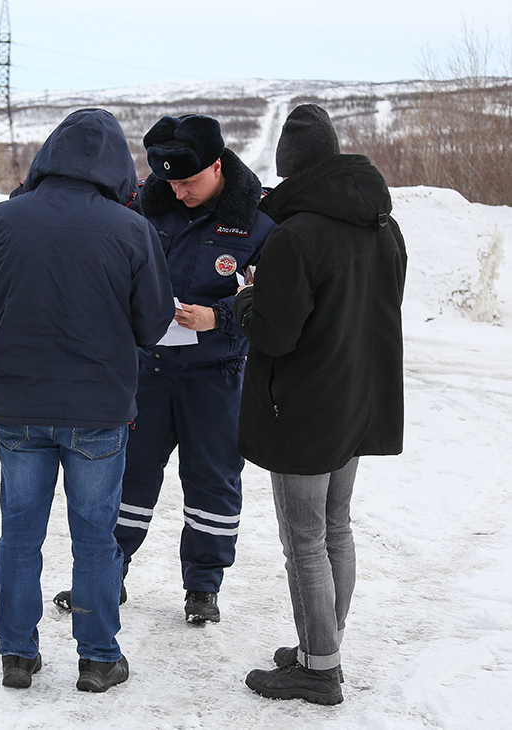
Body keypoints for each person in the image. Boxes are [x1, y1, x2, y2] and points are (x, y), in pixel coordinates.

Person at [0, 108, 174, 693]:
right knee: (95, 537)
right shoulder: (133, 231)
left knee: (20, 534)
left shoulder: (1, 220)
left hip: (18, 407)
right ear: (116, 166)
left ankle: (17, 655)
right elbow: (152, 325)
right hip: (99, 412)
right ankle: (100, 658)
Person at [56, 114, 274, 624]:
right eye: (169, 181)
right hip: (146, 372)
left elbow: (271, 304)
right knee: (126, 477)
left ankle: (203, 587)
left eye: (189, 180)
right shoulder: (141, 208)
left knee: (212, 482)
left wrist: (216, 318)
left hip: (216, 378)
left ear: (217, 166)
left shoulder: (256, 225)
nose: (178, 192)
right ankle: (108, 574)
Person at [233, 104, 407, 705]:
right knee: (336, 527)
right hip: (359, 398)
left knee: (304, 538)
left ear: (291, 171)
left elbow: (275, 334)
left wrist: (246, 300)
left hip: (304, 410)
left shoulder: (295, 237)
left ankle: (318, 670)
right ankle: (321, 645)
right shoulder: (384, 226)